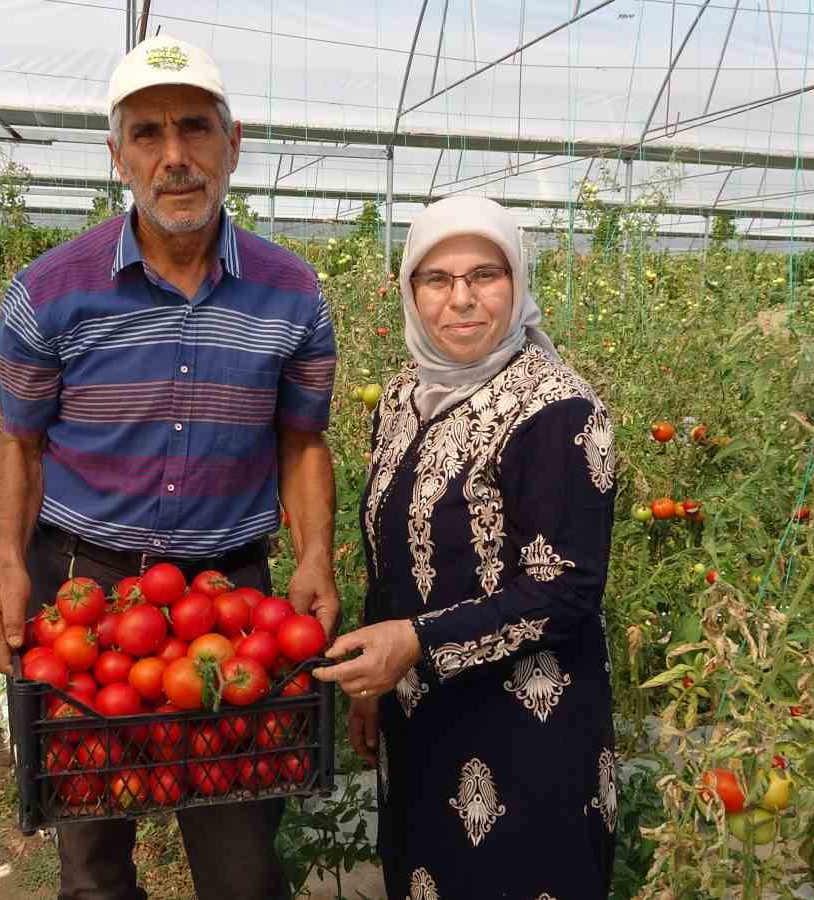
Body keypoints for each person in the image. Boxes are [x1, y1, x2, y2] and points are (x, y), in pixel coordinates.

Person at [0, 34, 340, 900]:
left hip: (232, 595)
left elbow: (302, 442)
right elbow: (18, 443)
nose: (175, 157)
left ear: (233, 143)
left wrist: (313, 556)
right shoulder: (51, 290)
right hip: (86, 597)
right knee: (92, 851)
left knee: (243, 856)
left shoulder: (294, 292)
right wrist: (6, 565)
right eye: (147, 134)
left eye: (196, 129)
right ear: (117, 157)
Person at [314, 196, 619, 900]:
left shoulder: (556, 410)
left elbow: (564, 590)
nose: (462, 299)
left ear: (515, 282)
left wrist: (415, 642)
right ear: (410, 292)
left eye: (484, 275)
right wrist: (374, 679)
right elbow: (388, 550)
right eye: (436, 279)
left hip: (525, 721)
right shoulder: (400, 399)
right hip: (420, 713)